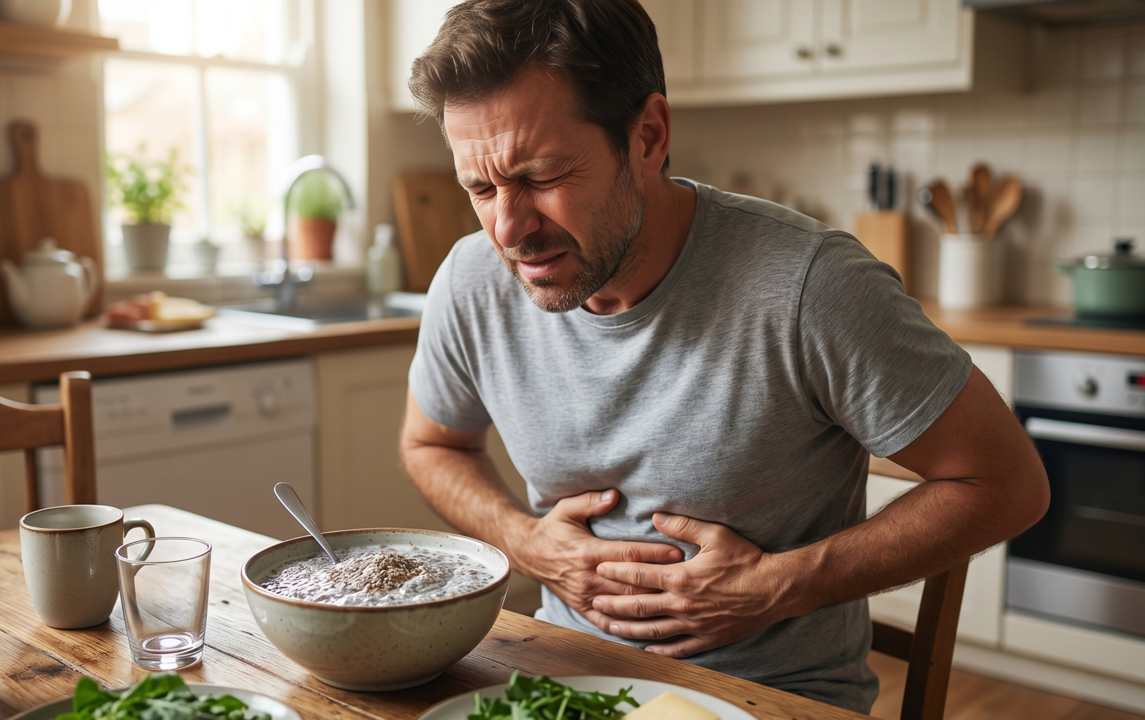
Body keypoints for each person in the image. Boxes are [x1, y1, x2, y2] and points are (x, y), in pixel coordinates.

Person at [397, 0, 1049, 712]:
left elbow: (1008, 484)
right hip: (563, 676)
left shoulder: (811, 287)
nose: (510, 228)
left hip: (771, 695)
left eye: (543, 176)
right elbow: (433, 443)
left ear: (648, 136)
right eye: (480, 189)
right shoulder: (471, 280)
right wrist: (525, 543)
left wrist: (780, 586)